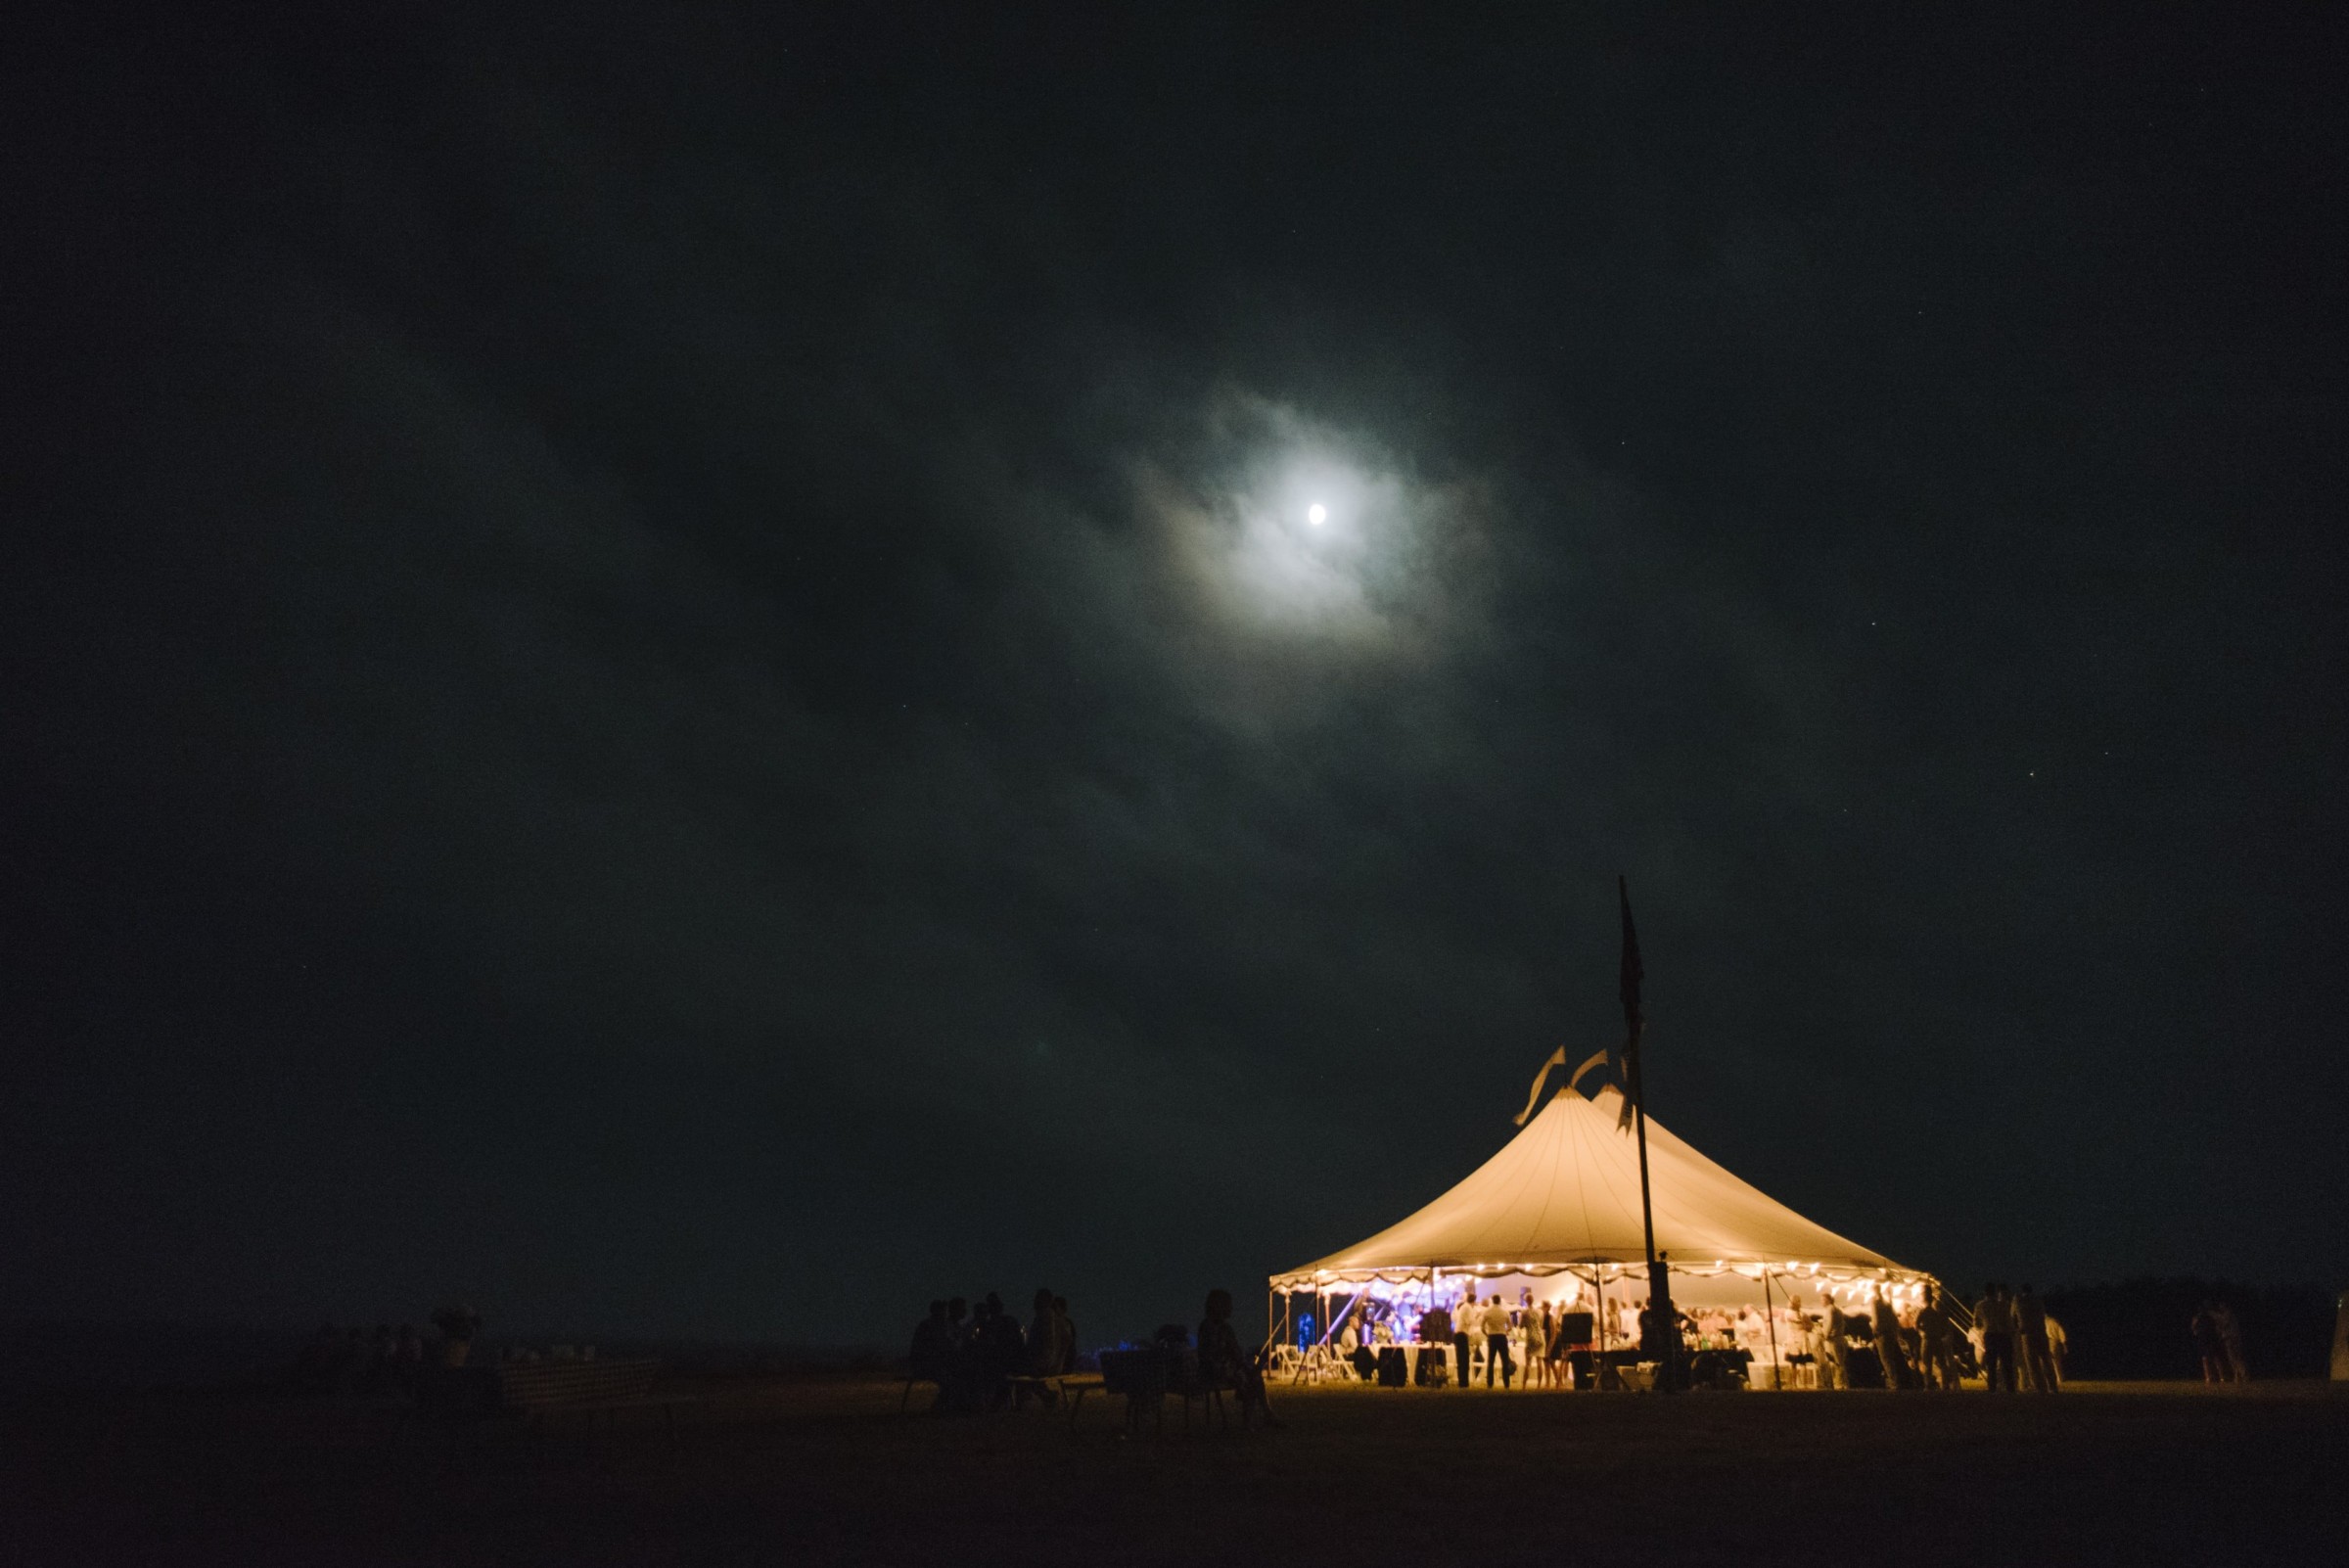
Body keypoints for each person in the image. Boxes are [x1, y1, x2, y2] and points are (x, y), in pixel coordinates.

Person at [1198, 1288, 1280, 1428]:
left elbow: (1232, 1353)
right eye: (1229, 1305)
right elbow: (1229, 1354)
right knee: (1253, 1378)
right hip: (1216, 1371)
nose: (1232, 1308)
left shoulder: (1209, 1326)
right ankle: (1259, 1417)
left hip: (1217, 1369)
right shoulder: (1219, 1328)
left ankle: (1260, 1416)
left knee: (1253, 1377)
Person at [2015, 1284, 2057, 1393]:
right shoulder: (2038, 1301)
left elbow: (2013, 1316)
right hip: (2041, 1332)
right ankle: (2053, 1386)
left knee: (2032, 1361)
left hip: (2027, 1333)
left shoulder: (2019, 1301)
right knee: (2045, 1358)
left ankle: (2039, 1386)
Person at [1977, 1283, 2017, 1392]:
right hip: (2004, 1335)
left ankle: (1992, 1388)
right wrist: (2012, 1332)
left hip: (1990, 1335)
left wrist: (1985, 1326)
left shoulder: (1980, 1305)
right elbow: (2009, 1320)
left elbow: (1976, 1323)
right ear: (1995, 1293)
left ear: (1985, 1293)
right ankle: (2010, 1387)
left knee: (1991, 1363)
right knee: (2007, 1363)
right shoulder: (2003, 1304)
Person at [1871, 1286, 1913, 1391]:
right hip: (1890, 1334)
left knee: (1886, 1359)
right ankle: (1900, 1380)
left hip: (1882, 1334)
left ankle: (1894, 1382)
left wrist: (1875, 1330)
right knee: (1892, 1358)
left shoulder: (1875, 1303)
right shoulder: (1887, 1304)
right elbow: (1894, 1320)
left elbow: (1875, 1320)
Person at [1481, 1294, 1515, 1388]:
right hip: (1502, 1336)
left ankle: (1490, 1383)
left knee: (1490, 1360)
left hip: (1492, 1337)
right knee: (1505, 1360)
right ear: (1500, 1301)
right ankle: (1506, 1383)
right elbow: (1510, 1326)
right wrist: (1505, 1331)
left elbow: (1482, 1327)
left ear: (1492, 1301)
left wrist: (1487, 1334)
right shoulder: (1505, 1312)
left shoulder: (1487, 1312)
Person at [2211, 1300, 2248, 1384]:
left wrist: (2213, 1315)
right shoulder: (2224, 1315)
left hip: (2233, 1338)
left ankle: (2244, 1374)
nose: (2220, 1307)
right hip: (2228, 1338)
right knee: (2232, 1359)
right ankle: (2237, 1376)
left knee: (2236, 1358)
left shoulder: (2228, 1313)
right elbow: (2220, 1328)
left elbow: (2224, 1322)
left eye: (2221, 1305)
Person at [2190, 1303, 2226, 1383]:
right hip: (2204, 1339)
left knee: (2214, 1358)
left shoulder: (2211, 1316)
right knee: (2206, 1359)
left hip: (2211, 1338)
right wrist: (2197, 1332)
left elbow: (2218, 1325)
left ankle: (2221, 1377)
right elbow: (2193, 1329)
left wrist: (2218, 1334)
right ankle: (2210, 1377)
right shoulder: (2198, 1318)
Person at [1451, 1294, 1475, 1389]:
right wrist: (1476, 1318)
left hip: (1459, 1334)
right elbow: (1469, 1321)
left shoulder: (1464, 1307)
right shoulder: (1468, 1308)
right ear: (1474, 1301)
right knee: (1464, 1359)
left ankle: (1463, 1381)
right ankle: (1463, 1382)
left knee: (1461, 1359)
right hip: (1462, 1334)